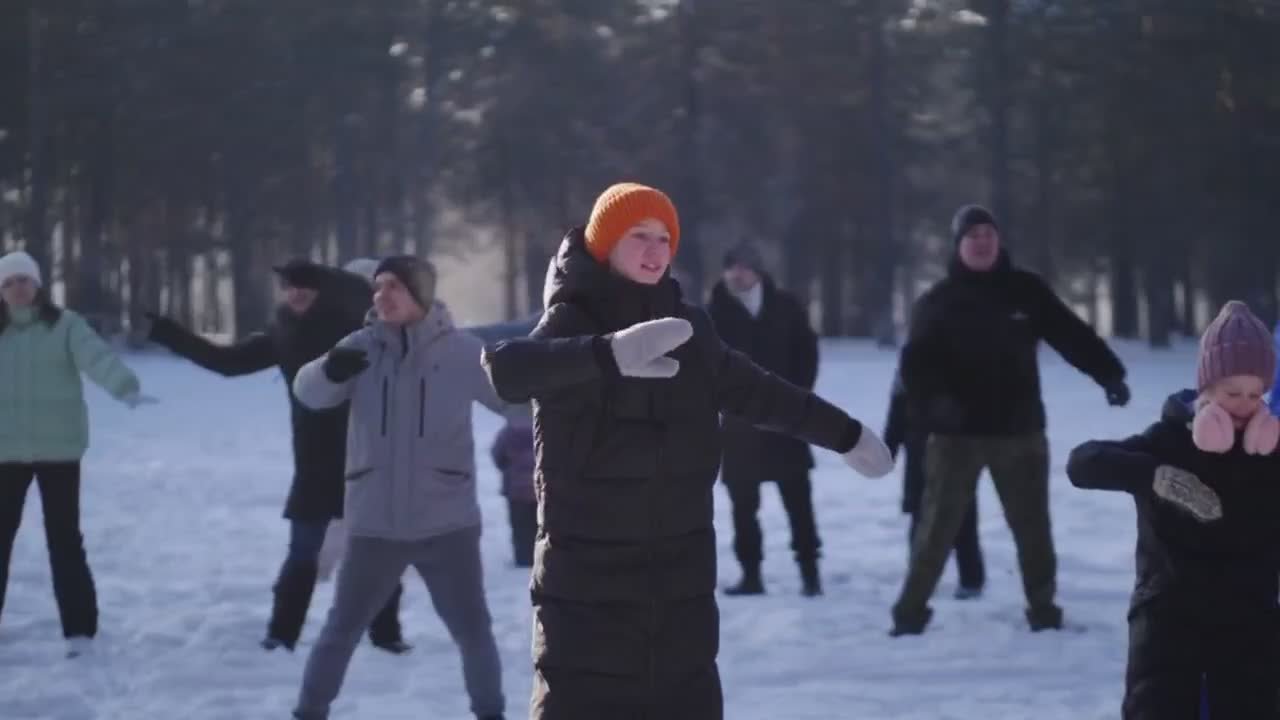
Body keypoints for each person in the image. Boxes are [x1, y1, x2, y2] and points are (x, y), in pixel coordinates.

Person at [480, 182, 895, 719]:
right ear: (605, 243)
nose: (656, 251)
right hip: (586, 593)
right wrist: (607, 355)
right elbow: (508, 370)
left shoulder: (688, 327)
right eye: (639, 236)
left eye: (664, 239)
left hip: (680, 588)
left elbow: (759, 391)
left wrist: (845, 433)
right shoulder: (572, 319)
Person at [144, 259, 408, 654]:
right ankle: (281, 636)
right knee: (302, 554)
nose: (297, 293)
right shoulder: (284, 332)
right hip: (314, 462)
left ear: (328, 290)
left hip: (367, 455)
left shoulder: (361, 331)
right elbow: (228, 363)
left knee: (377, 553)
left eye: (307, 285)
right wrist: (170, 335)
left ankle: (386, 637)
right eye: (289, 286)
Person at [891, 204, 1130, 636]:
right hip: (955, 437)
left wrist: (1108, 373)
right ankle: (909, 613)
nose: (982, 242)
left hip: (1019, 432)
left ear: (999, 242)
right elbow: (914, 369)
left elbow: (1070, 334)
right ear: (958, 245)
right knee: (935, 530)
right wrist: (937, 407)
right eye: (972, 236)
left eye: (988, 235)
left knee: (1033, 529)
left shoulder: (1025, 291)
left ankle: (1043, 610)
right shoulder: (938, 302)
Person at [291, 256, 507, 720]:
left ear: (422, 294)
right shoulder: (359, 348)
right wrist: (329, 369)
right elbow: (307, 392)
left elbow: (517, 402)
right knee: (340, 630)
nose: (382, 295)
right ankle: (308, 713)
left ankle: (491, 714)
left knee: (473, 632)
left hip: (448, 525)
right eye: (379, 286)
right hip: (374, 525)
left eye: (395, 287)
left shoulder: (464, 352)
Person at [1067, 300, 1280, 719]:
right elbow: (1083, 462)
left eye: (1255, 394)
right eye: (1232, 392)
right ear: (1206, 389)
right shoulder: (1169, 440)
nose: (1243, 405)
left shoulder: (1269, 452)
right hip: (1168, 622)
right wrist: (1157, 477)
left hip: (1250, 625)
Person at [0, 250, 148, 657]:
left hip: (59, 450)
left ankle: (80, 629)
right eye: (9, 283)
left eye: (24, 281)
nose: (17, 289)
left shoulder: (64, 325)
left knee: (64, 539)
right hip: (5, 453)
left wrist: (125, 386)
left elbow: (96, 358)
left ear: (38, 285)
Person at [707, 242, 825, 596]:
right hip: (740, 424)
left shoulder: (784, 306)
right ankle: (751, 574)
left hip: (787, 416)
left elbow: (807, 352)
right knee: (744, 506)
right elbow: (707, 363)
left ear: (757, 271)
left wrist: (797, 394)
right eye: (732, 267)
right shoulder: (715, 312)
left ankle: (809, 572)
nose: (737, 274)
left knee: (798, 500)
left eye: (744, 267)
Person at [883, 369, 985, 598]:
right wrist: (886, 451)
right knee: (924, 516)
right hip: (922, 448)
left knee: (961, 515)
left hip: (956, 447)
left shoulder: (964, 360)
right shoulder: (912, 362)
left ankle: (969, 579)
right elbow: (897, 412)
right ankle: (920, 577)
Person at [490, 407, 537, 568]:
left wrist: (508, 471)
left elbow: (497, 455)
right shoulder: (545, 428)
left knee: (520, 527)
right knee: (540, 524)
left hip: (516, 491)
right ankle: (541, 556)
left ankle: (523, 558)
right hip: (541, 489)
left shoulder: (507, 433)